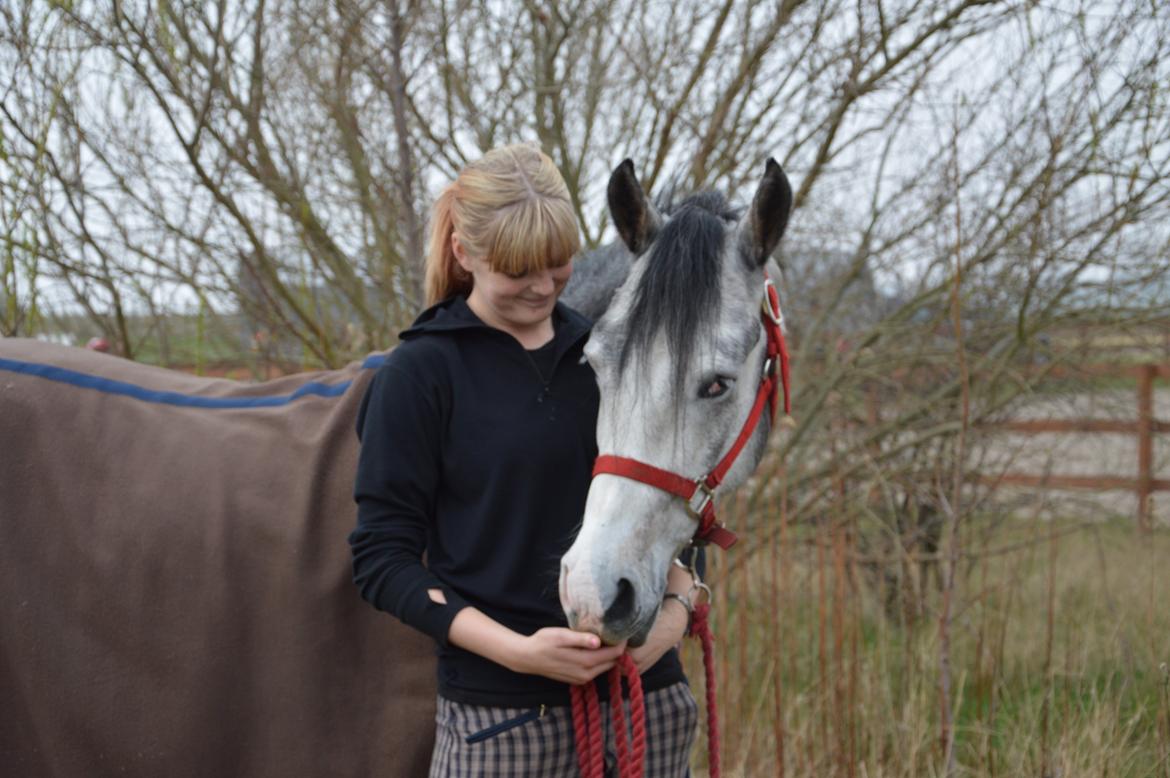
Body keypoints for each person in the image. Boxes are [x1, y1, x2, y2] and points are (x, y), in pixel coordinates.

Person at [349, 144, 703, 776]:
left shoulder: (612, 358)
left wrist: (679, 613)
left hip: (645, 708)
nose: (543, 286)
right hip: (505, 724)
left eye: (557, 262)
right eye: (519, 269)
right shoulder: (419, 376)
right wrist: (519, 653)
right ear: (464, 254)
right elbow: (382, 559)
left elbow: (679, 504)